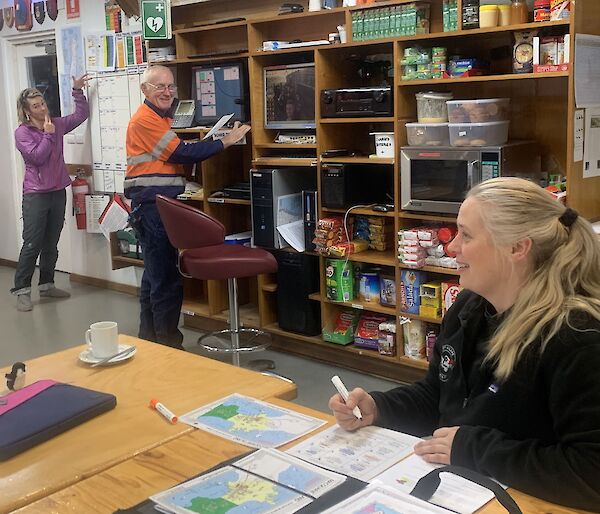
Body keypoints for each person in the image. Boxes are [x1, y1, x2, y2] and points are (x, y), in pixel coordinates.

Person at [329, 177, 600, 511]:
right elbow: (440, 396)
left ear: (517, 248)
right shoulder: (468, 307)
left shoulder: (576, 336)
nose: (451, 247)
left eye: (466, 235)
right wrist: (379, 407)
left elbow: (590, 475)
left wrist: (475, 449)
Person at [125, 65, 250, 350]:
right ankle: (170, 348)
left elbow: (174, 153)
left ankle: (151, 342)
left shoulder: (161, 119)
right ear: (145, 90)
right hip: (152, 208)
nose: (167, 92)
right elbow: (180, 152)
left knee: (154, 278)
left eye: (171, 87)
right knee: (166, 280)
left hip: (156, 206)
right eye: (160, 87)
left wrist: (204, 144)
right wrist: (225, 141)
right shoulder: (146, 120)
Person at [12, 75, 90, 312]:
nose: (42, 108)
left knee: (51, 242)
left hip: (58, 191)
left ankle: (47, 285)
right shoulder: (22, 133)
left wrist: (77, 91)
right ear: (26, 111)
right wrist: (47, 133)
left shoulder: (56, 123)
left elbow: (80, 116)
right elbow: (37, 157)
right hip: (35, 194)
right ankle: (22, 290)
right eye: (36, 106)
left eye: (42, 103)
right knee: (32, 243)